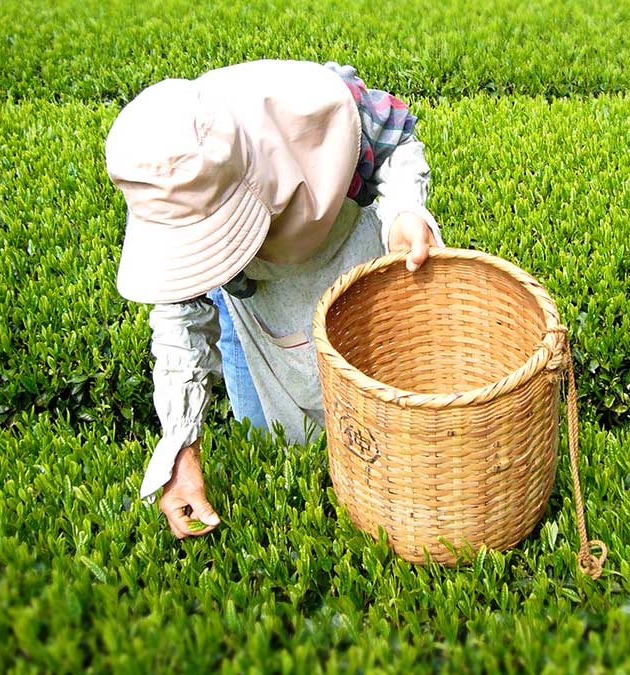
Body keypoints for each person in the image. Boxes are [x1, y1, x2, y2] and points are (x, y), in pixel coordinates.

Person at [105, 60, 442, 538]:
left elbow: (395, 143)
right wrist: (181, 449)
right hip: (260, 306)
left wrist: (406, 213)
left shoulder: (314, 107)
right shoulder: (162, 173)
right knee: (283, 452)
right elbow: (179, 313)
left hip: (350, 251)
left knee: (389, 431)